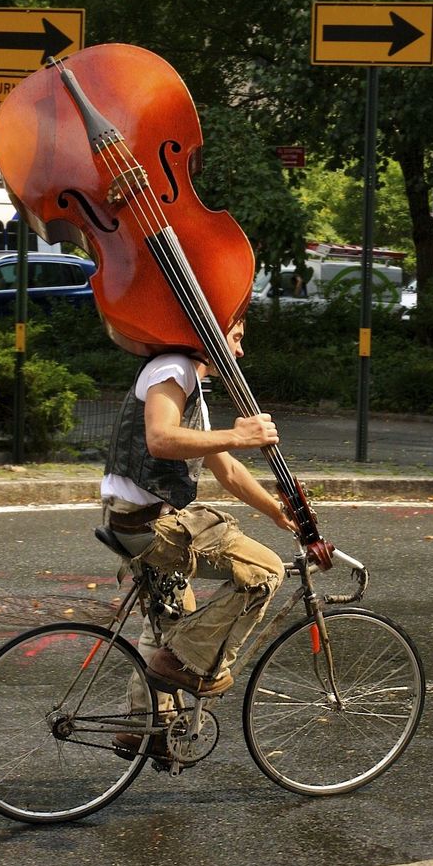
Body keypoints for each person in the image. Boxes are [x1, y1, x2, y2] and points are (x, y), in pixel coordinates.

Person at [101, 321, 294, 754]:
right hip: (150, 525)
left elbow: (226, 471)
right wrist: (240, 434)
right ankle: (186, 663)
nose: (240, 352)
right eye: (238, 337)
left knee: (172, 623)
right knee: (265, 569)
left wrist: (278, 512)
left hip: (134, 522)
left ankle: (144, 725)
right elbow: (160, 438)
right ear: (208, 330)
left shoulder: (189, 386)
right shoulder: (174, 368)